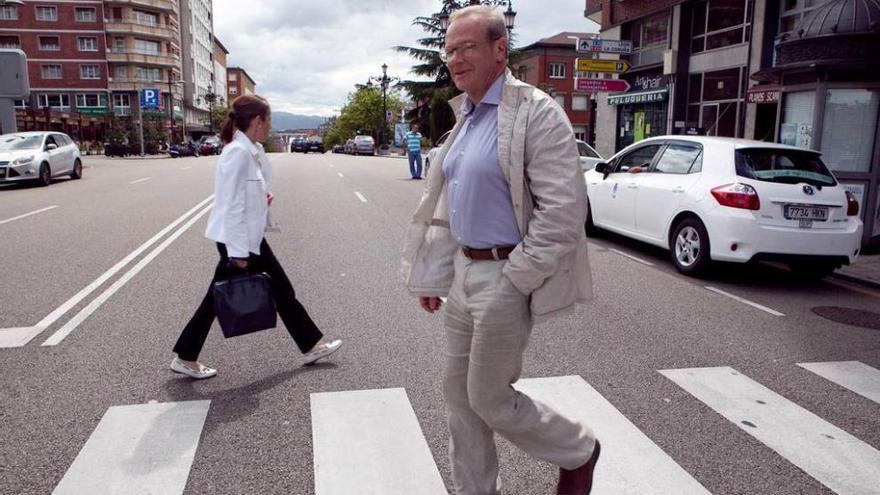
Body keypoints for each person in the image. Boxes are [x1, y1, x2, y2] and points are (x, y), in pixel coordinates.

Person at [401, 6, 600, 495]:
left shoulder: (535, 112)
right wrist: (435, 275)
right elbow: (453, 208)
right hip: (466, 275)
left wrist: (519, 276)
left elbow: (563, 210)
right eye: (450, 49)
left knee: (488, 398)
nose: (455, 58)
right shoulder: (464, 118)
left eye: (467, 47)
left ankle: (578, 449)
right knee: (459, 401)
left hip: (505, 275)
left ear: (498, 49)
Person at [171, 94, 342, 379]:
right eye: (268, 120)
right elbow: (232, 202)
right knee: (221, 298)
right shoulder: (238, 152)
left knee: (278, 290)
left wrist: (263, 198)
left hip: (244, 238)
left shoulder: (247, 149)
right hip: (237, 240)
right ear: (257, 120)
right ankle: (186, 356)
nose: (270, 126)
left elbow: (245, 194)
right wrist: (238, 252)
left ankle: (311, 345)